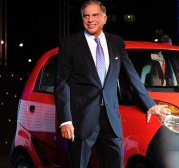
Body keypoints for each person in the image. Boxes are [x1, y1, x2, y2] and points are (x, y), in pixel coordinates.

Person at [54, 1, 170, 168]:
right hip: (80, 120)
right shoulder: (70, 44)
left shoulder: (116, 42)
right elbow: (62, 83)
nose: (90, 19)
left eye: (95, 15)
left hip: (110, 118)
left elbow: (132, 75)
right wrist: (66, 120)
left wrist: (149, 104)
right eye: (86, 16)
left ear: (104, 18)